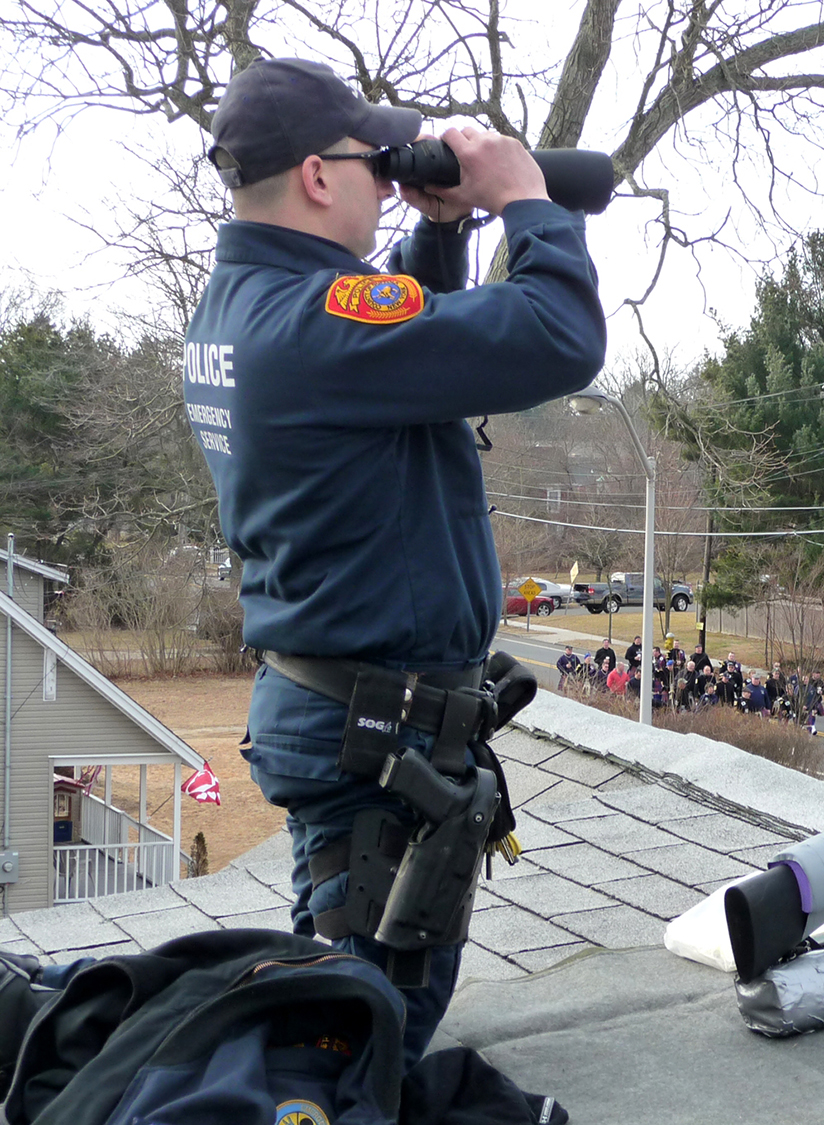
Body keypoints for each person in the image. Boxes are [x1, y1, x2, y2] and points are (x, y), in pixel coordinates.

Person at [180, 58, 606, 1069]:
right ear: (320, 178)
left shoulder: (244, 309)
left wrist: (445, 229)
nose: (386, 178)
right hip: (376, 744)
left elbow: (396, 338)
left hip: (344, 718)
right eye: (376, 163)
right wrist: (525, 203)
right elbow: (559, 337)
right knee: (358, 1038)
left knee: (339, 1003)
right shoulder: (315, 324)